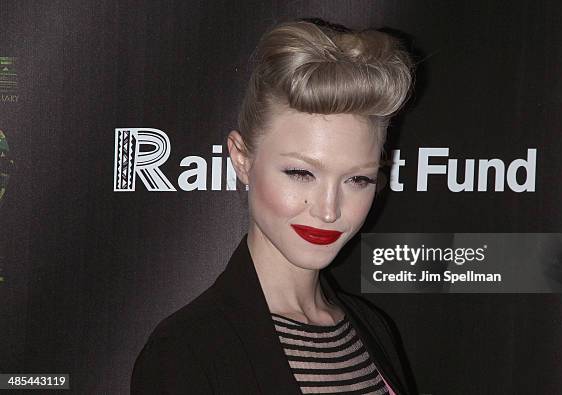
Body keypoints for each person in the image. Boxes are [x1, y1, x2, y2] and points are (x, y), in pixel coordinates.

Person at [131, 18, 418, 395]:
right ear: (241, 159)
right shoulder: (188, 351)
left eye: (357, 180)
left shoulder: (373, 329)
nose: (329, 210)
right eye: (301, 173)